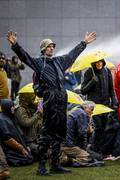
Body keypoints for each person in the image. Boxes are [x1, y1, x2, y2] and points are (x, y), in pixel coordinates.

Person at [7, 30, 96, 176]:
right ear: (43, 49)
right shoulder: (38, 63)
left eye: (52, 46)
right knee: (47, 135)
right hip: (50, 103)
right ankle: (41, 167)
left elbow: (72, 54)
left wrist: (84, 43)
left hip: (62, 102)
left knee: (59, 135)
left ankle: (55, 165)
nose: (51, 48)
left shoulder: (59, 61)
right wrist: (15, 45)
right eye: (48, 46)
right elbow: (25, 57)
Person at [81, 59, 117, 155]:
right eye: (97, 62)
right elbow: (83, 90)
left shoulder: (107, 71)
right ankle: (95, 149)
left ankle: (101, 150)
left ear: (103, 62)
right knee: (99, 127)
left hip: (105, 105)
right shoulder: (89, 72)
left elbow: (111, 89)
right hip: (94, 106)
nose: (99, 64)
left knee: (105, 128)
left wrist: (114, 102)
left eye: (101, 62)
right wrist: (92, 82)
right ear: (93, 62)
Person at [61, 101, 103, 167]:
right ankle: (66, 160)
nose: (92, 112)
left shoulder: (76, 111)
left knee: (95, 157)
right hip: (68, 145)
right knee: (93, 158)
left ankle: (64, 157)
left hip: (65, 143)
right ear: (85, 107)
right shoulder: (82, 114)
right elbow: (82, 134)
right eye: (91, 110)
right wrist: (84, 148)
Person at [0, 99, 33, 166]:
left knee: (31, 155)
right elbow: (7, 139)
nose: (14, 108)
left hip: (19, 146)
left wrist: (26, 145)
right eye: (12, 106)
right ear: (7, 107)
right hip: (10, 148)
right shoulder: (2, 120)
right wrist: (21, 148)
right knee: (26, 159)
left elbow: (20, 133)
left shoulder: (12, 117)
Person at [14, 93, 43, 159]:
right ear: (26, 98)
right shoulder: (20, 109)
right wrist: (38, 114)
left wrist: (39, 107)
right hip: (27, 142)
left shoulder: (28, 107)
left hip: (33, 139)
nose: (33, 99)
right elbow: (25, 123)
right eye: (32, 97)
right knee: (44, 151)